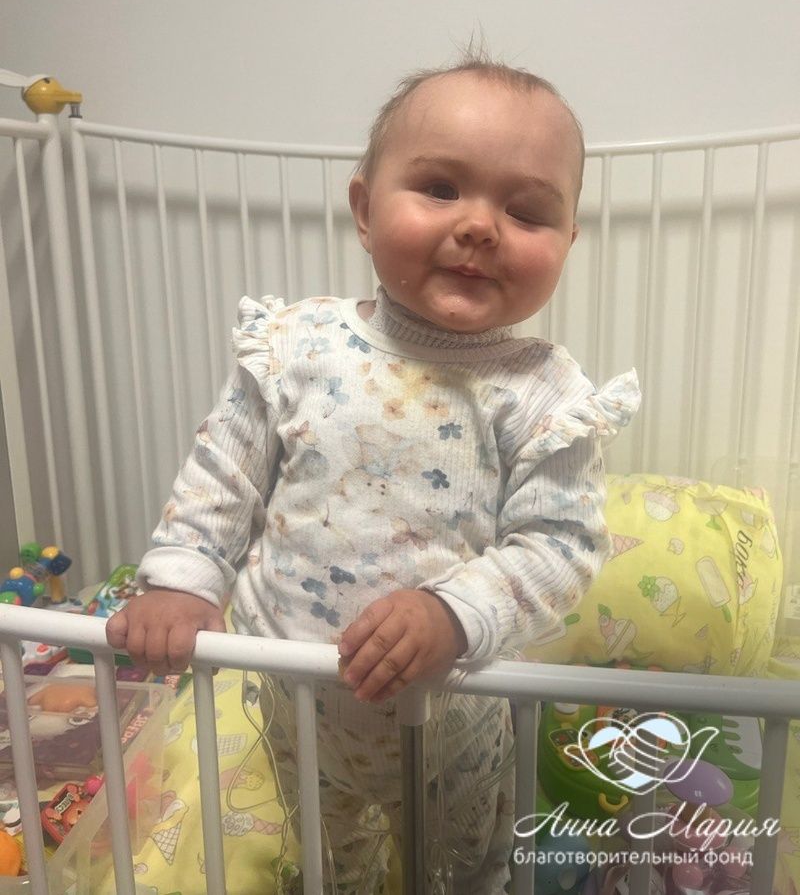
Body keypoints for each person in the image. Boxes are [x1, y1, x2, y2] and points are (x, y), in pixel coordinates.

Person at [107, 51, 640, 893]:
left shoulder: (545, 392)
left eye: (526, 210)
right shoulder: (295, 346)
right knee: (330, 856)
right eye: (440, 188)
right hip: (299, 699)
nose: (480, 225)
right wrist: (181, 578)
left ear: (567, 241)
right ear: (364, 209)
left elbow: (560, 545)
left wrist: (452, 611)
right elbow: (223, 474)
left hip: (455, 711)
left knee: (466, 861)